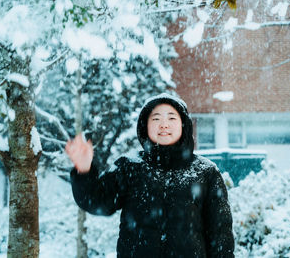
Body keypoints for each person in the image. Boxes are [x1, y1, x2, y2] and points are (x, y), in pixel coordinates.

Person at [66, 93, 235, 258]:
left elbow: (220, 234)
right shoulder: (129, 167)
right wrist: (84, 171)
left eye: (171, 118)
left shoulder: (206, 172)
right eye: (156, 119)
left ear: (184, 125)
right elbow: (97, 201)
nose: (164, 124)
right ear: (145, 126)